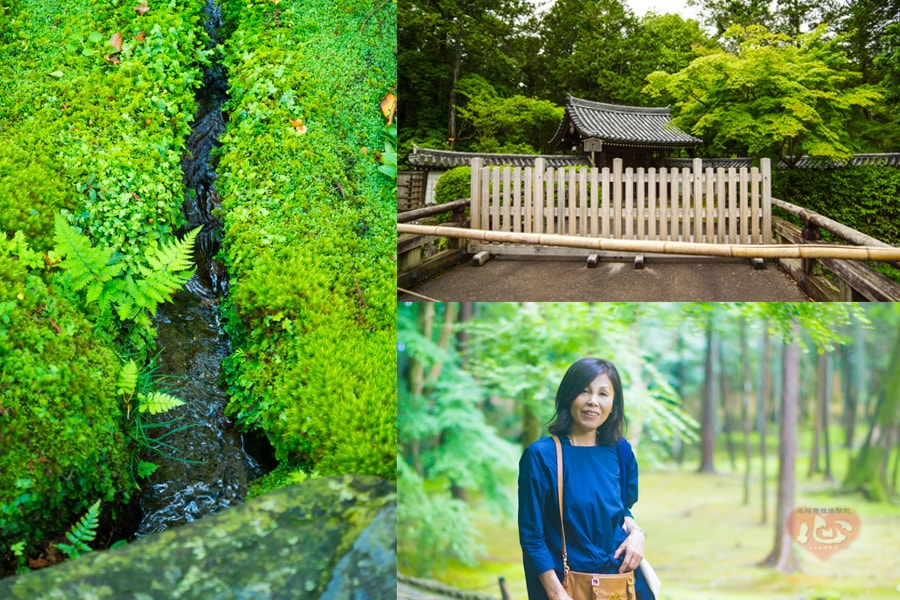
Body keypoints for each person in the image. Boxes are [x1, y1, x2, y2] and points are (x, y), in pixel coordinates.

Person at [518, 357, 654, 600]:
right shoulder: (542, 456)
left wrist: (637, 534)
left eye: (603, 393)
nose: (593, 401)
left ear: (613, 403)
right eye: (584, 391)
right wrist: (556, 592)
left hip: (618, 582)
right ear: (569, 396)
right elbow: (532, 537)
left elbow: (621, 511)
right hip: (567, 584)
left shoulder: (621, 452)